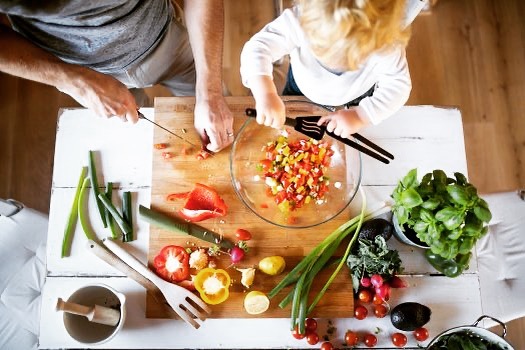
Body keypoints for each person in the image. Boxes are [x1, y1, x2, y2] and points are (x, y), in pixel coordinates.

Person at [0, 0, 233, 153]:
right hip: (79, 70)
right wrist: (75, 81)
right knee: (140, 143)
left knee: (220, 120)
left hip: (164, 37)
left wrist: (209, 92)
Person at [240, 0, 412, 139]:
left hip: (357, 96)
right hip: (301, 88)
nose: (336, 67)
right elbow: (258, 48)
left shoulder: (386, 44)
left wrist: (361, 115)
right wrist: (266, 94)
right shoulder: (302, 20)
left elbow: (398, 86)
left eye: (352, 61)